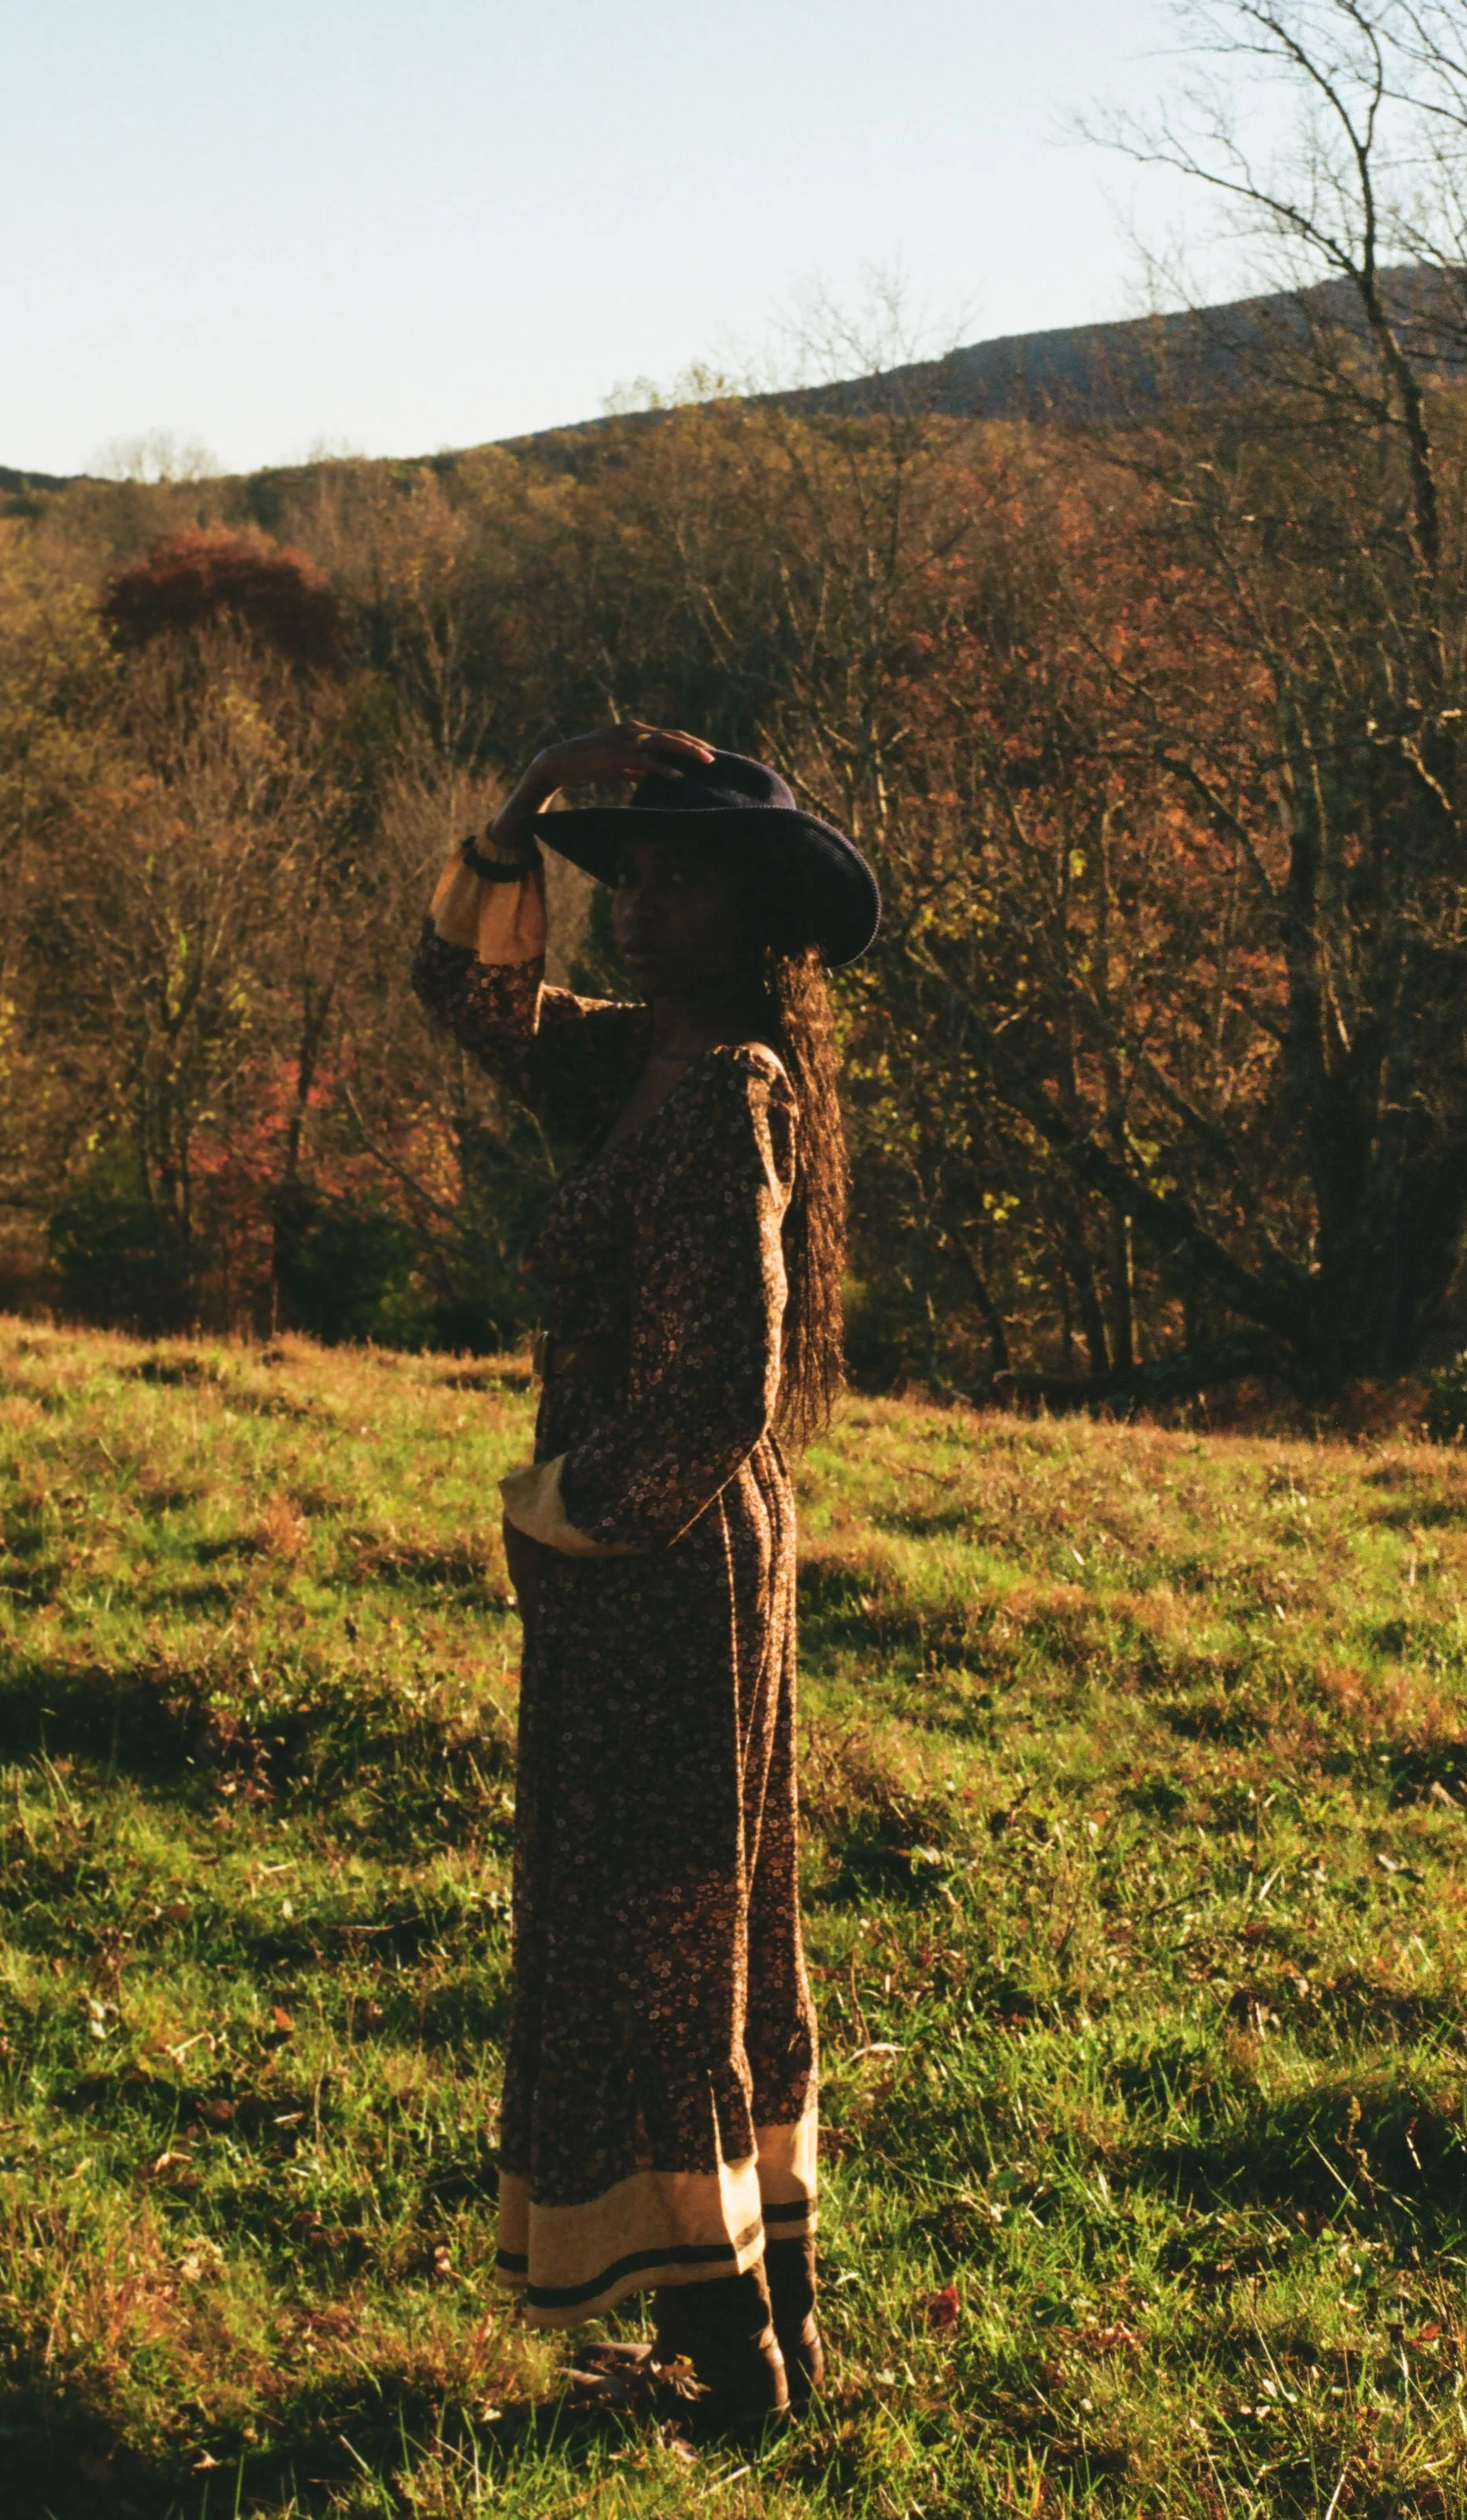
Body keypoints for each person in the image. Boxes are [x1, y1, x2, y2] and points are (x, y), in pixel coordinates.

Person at [410, 721, 879, 2436]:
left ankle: (733, 2371)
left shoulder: (720, 1095)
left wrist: (570, 1511)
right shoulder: (640, 1067)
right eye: (635, 873)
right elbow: (456, 993)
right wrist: (521, 813)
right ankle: (759, 2338)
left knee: (658, 1937)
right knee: (701, 1925)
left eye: (679, 875)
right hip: (677, 1555)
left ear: (755, 912)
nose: (640, 902)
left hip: (662, 1561)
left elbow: (721, 1381)